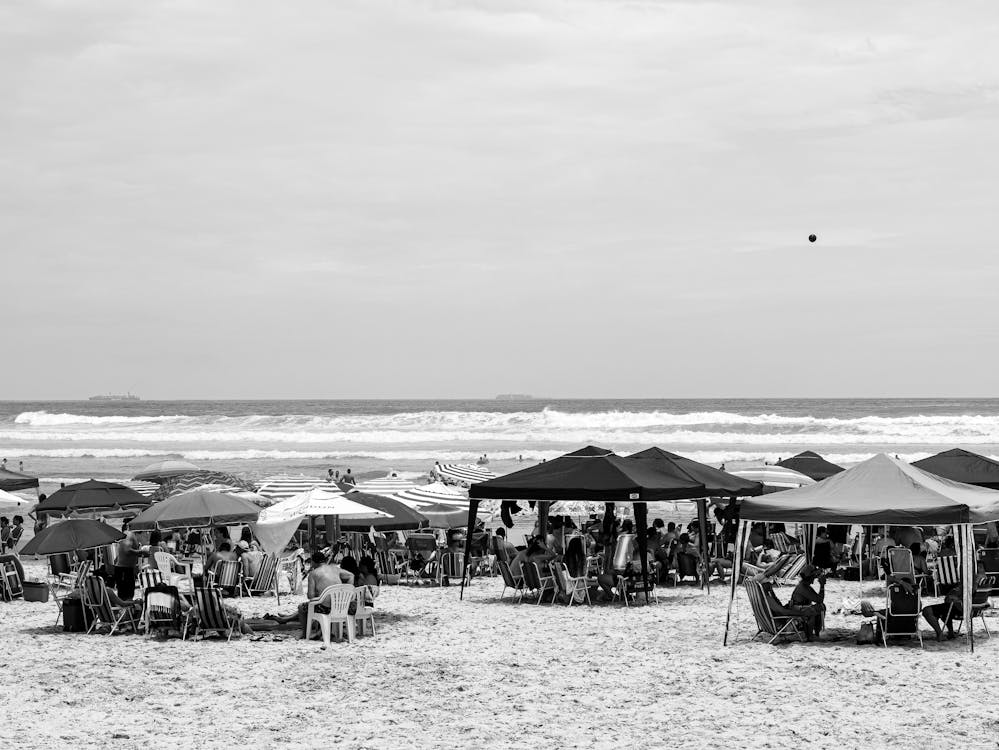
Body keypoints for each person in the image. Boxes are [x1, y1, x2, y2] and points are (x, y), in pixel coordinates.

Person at [789, 564, 826, 639]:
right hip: (797, 609)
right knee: (812, 610)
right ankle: (809, 636)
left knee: (821, 607)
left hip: (799, 607)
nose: (815, 578)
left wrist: (822, 586)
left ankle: (816, 633)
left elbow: (819, 600)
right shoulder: (803, 587)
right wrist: (822, 586)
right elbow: (819, 599)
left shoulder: (805, 585)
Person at [114, 519, 141, 600]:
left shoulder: (126, 534)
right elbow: (127, 550)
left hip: (124, 569)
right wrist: (140, 552)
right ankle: (126, 611)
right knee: (126, 597)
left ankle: (125, 611)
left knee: (125, 596)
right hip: (124, 570)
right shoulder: (129, 534)